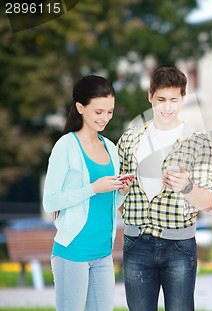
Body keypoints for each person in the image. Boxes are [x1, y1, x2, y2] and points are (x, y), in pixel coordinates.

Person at [117, 66, 212, 311]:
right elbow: (117, 193)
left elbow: (209, 202)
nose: (167, 107)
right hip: (136, 244)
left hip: (178, 247)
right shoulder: (129, 139)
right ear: (150, 96)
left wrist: (187, 186)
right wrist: (122, 195)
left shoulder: (198, 142)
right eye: (161, 99)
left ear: (183, 98)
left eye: (174, 100)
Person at [43, 75, 132, 311]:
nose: (105, 118)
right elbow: (50, 201)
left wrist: (122, 191)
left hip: (103, 252)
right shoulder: (66, 146)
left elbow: (109, 202)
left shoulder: (111, 148)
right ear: (81, 108)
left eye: (110, 112)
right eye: (99, 112)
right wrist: (93, 188)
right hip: (73, 251)